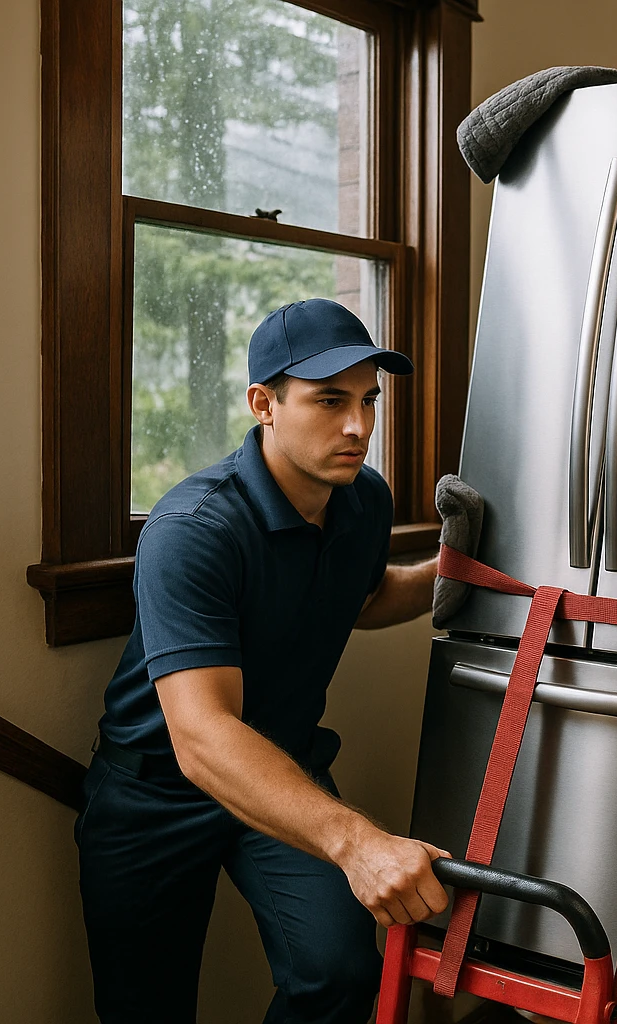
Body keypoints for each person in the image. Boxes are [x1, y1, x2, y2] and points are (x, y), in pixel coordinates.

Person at [77, 299, 450, 1023]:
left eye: (369, 400)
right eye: (330, 401)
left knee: (342, 974)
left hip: (282, 768)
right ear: (264, 403)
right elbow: (203, 738)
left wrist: (455, 568)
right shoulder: (193, 529)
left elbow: (366, 598)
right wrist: (358, 841)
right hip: (156, 791)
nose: (359, 427)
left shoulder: (363, 498)